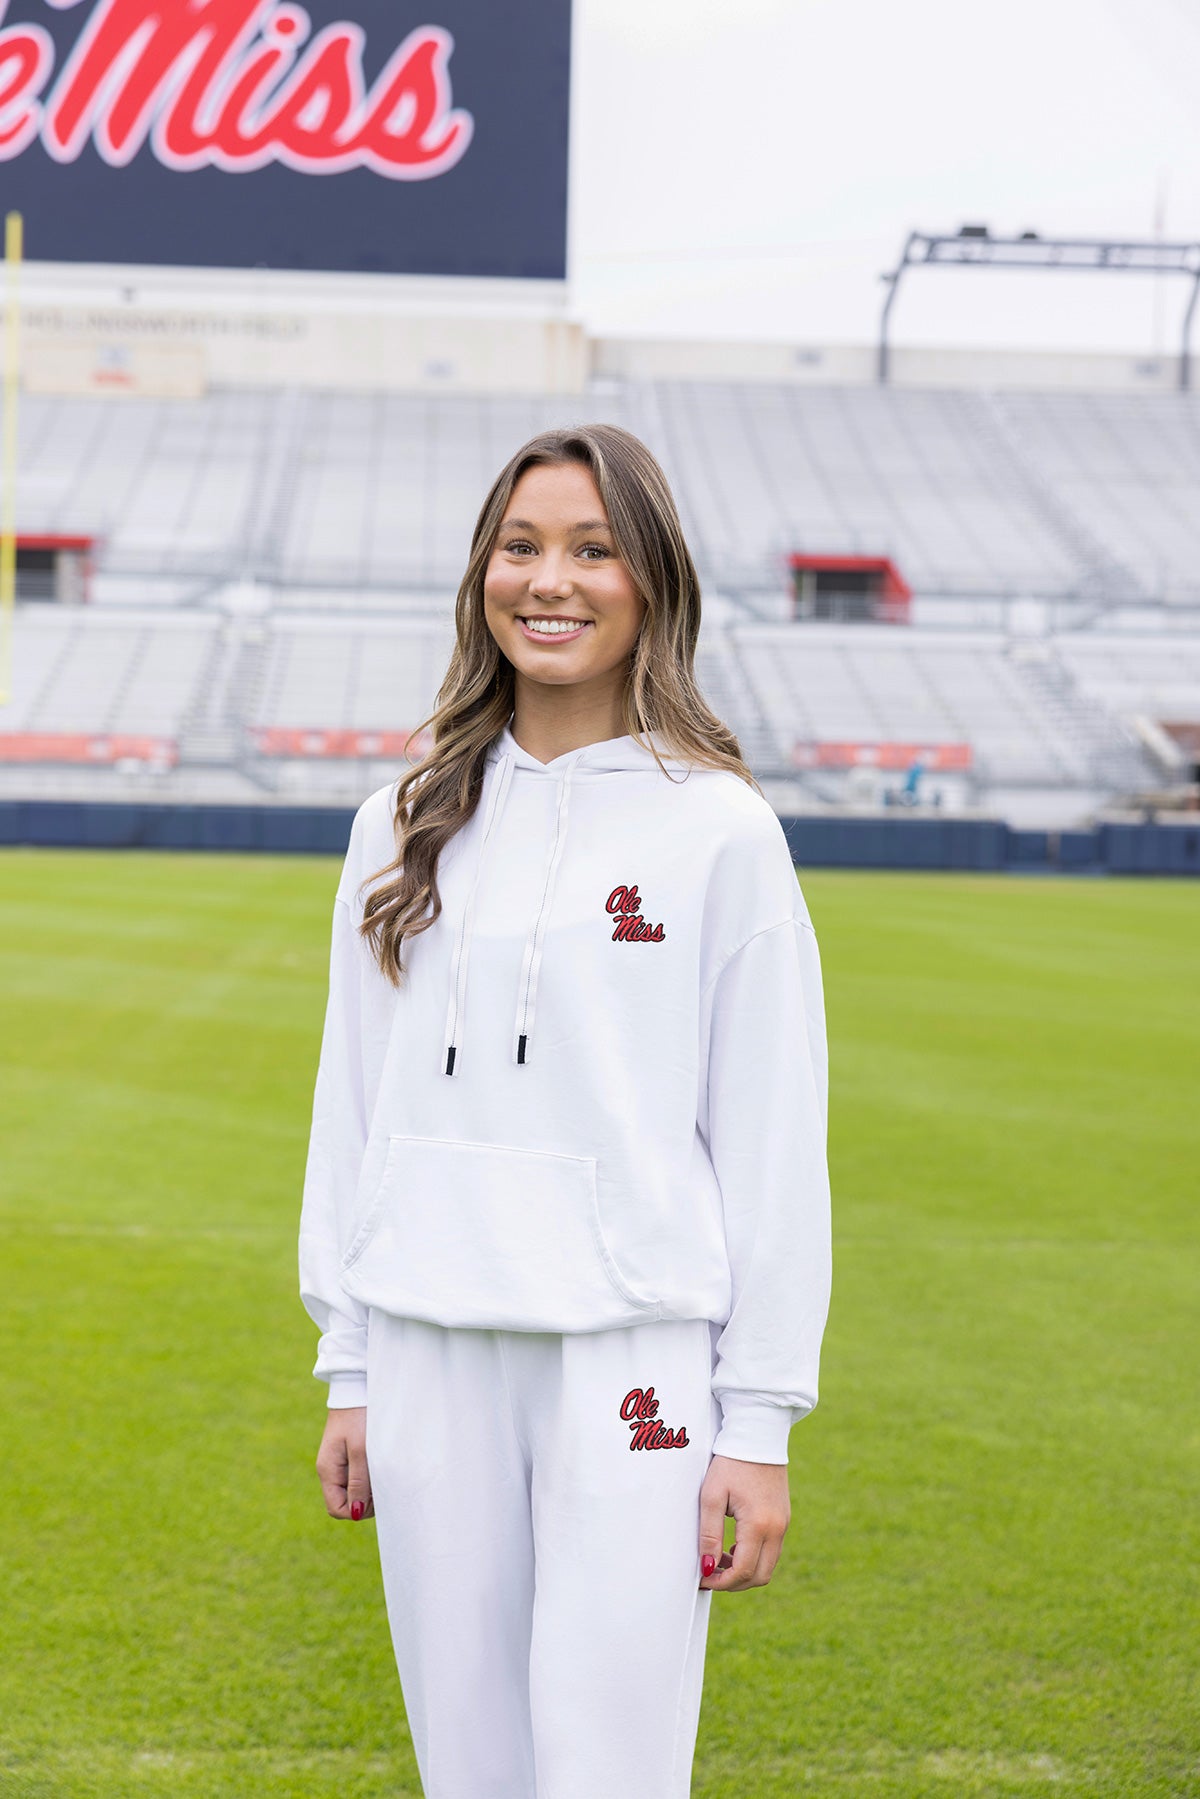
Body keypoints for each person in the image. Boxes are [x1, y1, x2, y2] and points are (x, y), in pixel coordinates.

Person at [298, 423, 832, 1799]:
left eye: (595, 549)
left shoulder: (718, 830)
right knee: (466, 1767)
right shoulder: (398, 819)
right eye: (522, 546)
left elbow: (772, 1145)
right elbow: (352, 1106)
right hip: (429, 1346)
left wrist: (755, 1424)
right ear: (481, 572)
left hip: (630, 1363)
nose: (553, 579)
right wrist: (351, 1365)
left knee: (607, 1766)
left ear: (652, 581)